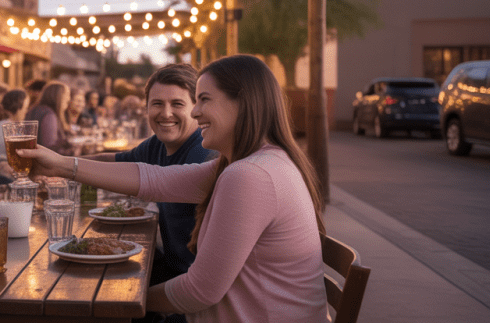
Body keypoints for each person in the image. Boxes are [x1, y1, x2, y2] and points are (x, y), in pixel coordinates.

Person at [20, 55, 327, 323]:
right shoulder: (257, 162)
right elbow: (154, 179)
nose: (195, 112)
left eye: (204, 99)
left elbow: (198, 291)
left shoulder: (250, 175)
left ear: (243, 103)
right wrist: (59, 164)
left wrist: (121, 299)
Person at [90, 64, 217, 323]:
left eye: (177, 104)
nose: (165, 113)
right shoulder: (158, 144)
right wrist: (58, 163)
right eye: (157, 104)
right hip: (172, 272)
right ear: (146, 108)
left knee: (102, 298)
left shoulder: (202, 154)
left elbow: (205, 288)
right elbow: (117, 162)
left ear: (196, 108)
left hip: (195, 294)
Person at [26, 81, 73, 155]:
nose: (69, 99)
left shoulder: (35, 109)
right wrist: (73, 150)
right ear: (58, 96)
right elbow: (50, 148)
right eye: (67, 95)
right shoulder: (49, 115)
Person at [0, 88, 30, 177]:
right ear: (17, 106)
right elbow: (0, 159)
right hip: (6, 177)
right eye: (25, 108)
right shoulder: (2, 126)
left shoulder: (19, 126)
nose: (26, 112)